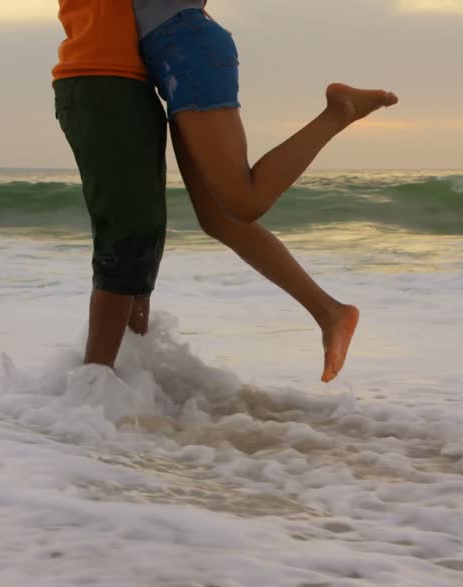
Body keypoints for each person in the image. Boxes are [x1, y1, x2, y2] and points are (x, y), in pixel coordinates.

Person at [135, 1, 399, 382]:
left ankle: (340, 111)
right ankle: (330, 312)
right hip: (170, 53)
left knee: (245, 201)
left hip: (186, 48)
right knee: (218, 219)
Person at [53, 0, 168, 368]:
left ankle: (132, 374)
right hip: (101, 78)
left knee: (145, 238)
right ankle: (95, 385)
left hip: (130, 82)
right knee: (125, 237)